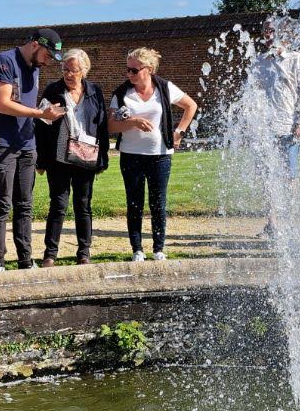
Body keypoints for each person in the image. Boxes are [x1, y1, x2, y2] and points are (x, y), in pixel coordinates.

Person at [0, 28, 66, 270]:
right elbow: (3, 104)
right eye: (47, 55)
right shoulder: (5, 61)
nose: (48, 61)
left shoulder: (35, 67)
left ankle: (25, 259)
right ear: (35, 45)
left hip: (27, 143)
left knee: (25, 204)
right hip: (2, 143)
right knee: (2, 204)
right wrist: (41, 114)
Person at [109, 47, 198, 262]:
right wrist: (132, 122)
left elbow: (190, 106)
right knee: (134, 203)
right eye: (128, 69)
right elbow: (111, 125)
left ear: (148, 69)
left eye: (134, 70)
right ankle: (137, 249)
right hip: (131, 154)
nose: (129, 74)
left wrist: (179, 132)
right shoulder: (121, 93)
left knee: (158, 203)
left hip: (160, 155)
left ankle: (158, 248)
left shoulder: (165, 88)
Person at [36, 48, 110, 266]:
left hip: (86, 154)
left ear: (84, 71)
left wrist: (103, 158)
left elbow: (102, 125)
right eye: (65, 69)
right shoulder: (53, 90)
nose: (68, 74)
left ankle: (84, 253)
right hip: (58, 156)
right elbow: (41, 126)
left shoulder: (94, 92)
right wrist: (41, 160)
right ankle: (50, 254)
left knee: (83, 205)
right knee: (58, 204)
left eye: (73, 70)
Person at [250, 17, 300, 237]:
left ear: (283, 34)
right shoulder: (259, 61)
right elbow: (254, 94)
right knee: (267, 176)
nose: (267, 34)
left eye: (271, 30)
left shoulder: (296, 59)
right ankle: (272, 223)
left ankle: (291, 222)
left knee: (289, 177)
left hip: (289, 128)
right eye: (265, 30)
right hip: (265, 128)